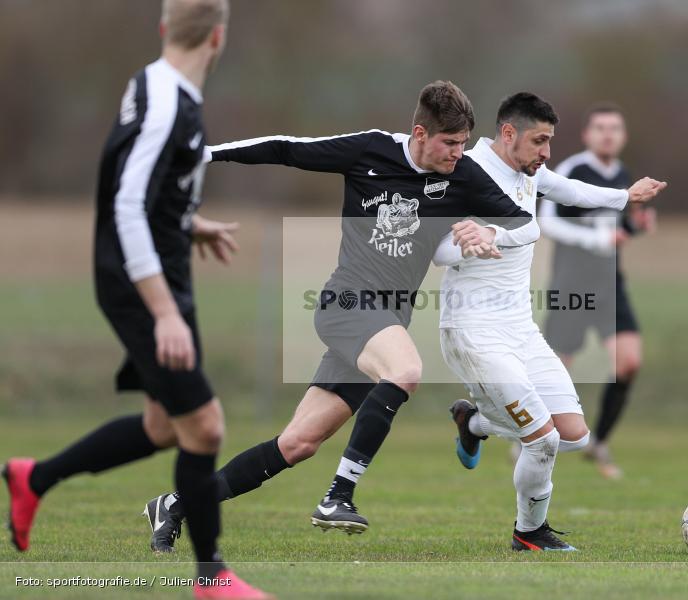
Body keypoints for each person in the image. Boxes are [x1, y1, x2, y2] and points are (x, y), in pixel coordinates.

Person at [142, 80, 541, 550]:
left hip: (384, 324)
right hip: (346, 303)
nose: (459, 153)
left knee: (297, 444)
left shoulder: (463, 176)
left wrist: (488, 231)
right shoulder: (370, 150)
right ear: (419, 134)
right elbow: (287, 149)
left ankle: (175, 505)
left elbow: (526, 222)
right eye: (450, 143)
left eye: (462, 142)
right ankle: (339, 494)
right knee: (407, 369)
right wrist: (206, 154)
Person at [2, 2, 269, 597]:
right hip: (142, 285)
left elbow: (147, 187)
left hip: (160, 274)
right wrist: (164, 310)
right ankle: (211, 577)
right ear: (219, 38)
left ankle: (34, 478)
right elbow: (125, 202)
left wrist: (188, 222)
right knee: (205, 426)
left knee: (164, 425)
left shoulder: (154, 86)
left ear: (163, 29)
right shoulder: (170, 100)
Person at [437, 93, 665, 550]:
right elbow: (437, 250)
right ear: (508, 134)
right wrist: (471, 240)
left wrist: (626, 196)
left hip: (520, 329)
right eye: (539, 141)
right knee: (541, 440)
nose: (546, 153)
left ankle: (475, 423)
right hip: (474, 331)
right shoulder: (465, 170)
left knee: (573, 437)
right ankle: (529, 532)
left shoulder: (530, 171)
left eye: (550, 142)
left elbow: (570, 192)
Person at [539, 102, 656, 479]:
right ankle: (530, 437)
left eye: (615, 128)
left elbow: (619, 229)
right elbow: (548, 223)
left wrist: (638, 226)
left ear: (623, 136)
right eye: (601, 127)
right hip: (572, 284)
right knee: (556, 372)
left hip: (610, 285)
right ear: (587, 135)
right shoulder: (574, 170)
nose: (608, 134)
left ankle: (600, 443)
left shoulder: (624, 174)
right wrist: (598, 237)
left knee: (629, 362)